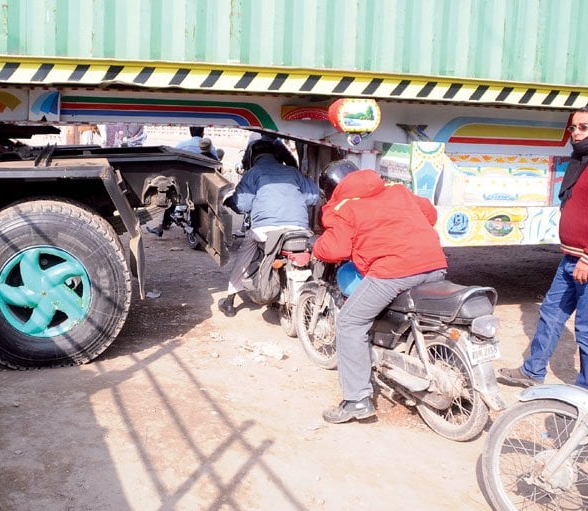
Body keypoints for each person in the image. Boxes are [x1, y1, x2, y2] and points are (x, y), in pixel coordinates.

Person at [313, 160, 448, 423]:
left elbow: (336, 249)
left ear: (331, 190)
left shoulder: (344, 206)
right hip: (435, 264)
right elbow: (430, 215)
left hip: (394, 272)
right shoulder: (396, 190)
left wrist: (316, 246)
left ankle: (357, 400)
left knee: (351, 322)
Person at [498, 107, 588, 389]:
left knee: (585, 330)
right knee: (550, 314)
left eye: (583, 127)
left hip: (585, 260)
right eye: (573, 128)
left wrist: (587, 258)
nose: (575, 133)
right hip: (569, 258)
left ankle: (585, 390)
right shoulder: (580, 161)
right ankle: (532, 371)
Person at [218, 138, 319, 317]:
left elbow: (242, 205)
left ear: (253, 156)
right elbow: (312, 197)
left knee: (245, 256)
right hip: (299, 230)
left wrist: (229, 200)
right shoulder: (293, 172)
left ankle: (229, 299)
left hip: (265, 231)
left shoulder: (253, 173)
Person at [147, 127, 220, 237]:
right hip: (202, 184)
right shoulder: (211, 148)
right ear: (203, 132)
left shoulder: (182, 144)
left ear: (190, 132)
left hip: (184, 182)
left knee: (172, 197)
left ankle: (163, 225)